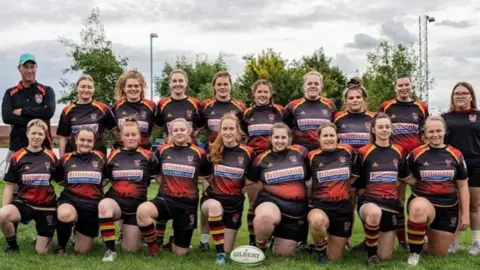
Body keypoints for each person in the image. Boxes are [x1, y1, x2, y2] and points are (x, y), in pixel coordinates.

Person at [136, 118, 211, 257]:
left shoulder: (199, 153)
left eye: (182, 129)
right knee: (143, 211)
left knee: (181, 253)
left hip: (187, 205)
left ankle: (172, 242)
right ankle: (153, 248)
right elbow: (155, 173)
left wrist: (206, 195)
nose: (179, 133)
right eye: (175, 130)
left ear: (189, 131)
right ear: (171, 132)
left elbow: (207, 176)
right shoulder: (162, 150)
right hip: (166, 199)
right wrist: (168, 184)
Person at [405, 115, 470, 265]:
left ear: (445, 131)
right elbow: (404, 175)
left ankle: (423, 240)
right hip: (424, 201)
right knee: (419, 208)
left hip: (448, 207)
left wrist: (465, 214)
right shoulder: (415, 154)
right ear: (425, 134)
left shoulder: (456, 154)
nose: (435, 135)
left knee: (438, 254)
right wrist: (414, 182)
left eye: (438, 131)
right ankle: (414, 253)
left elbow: (462, 185)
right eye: (431, 131)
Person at [285, 70, 337, 250]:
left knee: (326, 195)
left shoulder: (330, 105)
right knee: (304, 197)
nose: (313, 86)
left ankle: (331, 237)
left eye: (316, 83)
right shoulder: (293, 106)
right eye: (309, 83)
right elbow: (286, 132)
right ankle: (301, 239)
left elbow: (334, 131)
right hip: (302, 160)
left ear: (321, 86)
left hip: (327, 159)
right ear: (304, 86)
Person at [352, 113, 411, 265]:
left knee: (386, 256)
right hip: (370, 201)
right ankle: (372, 255)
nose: (384, 130)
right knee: (374, 213)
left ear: (391, 129)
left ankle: (370, 242)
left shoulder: (399, 150)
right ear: (373, 130)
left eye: (387, 127)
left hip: (390, 204)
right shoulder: (364, 152)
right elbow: (357, 182)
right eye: (380, 127)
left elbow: (405, 177)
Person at [98, 117, 160, 262]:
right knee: (103, 206)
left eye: (134, 135)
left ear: (139, 136)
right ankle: (110, 250)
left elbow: (160, 178)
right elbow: (105, 180)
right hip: (116, 204)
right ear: (121, 137)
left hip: (136, 208)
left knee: (130, 249)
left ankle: (145, 235)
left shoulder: (149, 156)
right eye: (127, 135)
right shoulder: (113, 155)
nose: (130, 138)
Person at [378, 74, 429, 249]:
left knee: (421, 197)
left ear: (411, 86)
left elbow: (426, 131)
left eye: (407, 84)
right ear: (395, 88)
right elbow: (378, 128)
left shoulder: (421, 107)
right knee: (397, 200)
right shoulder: (386, 106)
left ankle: (423, 236)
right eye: (400, 85)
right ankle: (402, 240)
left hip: (416, 160)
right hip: (395, 160)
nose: (404, 88)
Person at [198, 71, 246, 250]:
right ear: (214, 87)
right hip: (213, 155)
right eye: (219, 84)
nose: (223, 87)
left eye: (226, 84)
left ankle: (228, 236)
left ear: (230, 86)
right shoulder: (206, 106)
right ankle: (204, 239)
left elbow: (242, 132)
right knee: (209, 196)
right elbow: (197, 128)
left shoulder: (239, 107)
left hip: (233, 156)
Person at [246, 123, 309, 256]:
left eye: (283, 137)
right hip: (271, 201)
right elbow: (251, 181)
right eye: (276, 137)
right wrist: (253, 203)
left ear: (289, 139)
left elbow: (310, 176)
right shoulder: (260, 159)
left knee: (283, 254)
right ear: (270, 138)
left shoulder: (301, 152)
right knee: (265, 218)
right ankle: (260, 248)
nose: (280, 141)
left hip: (295, 207)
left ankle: (275, 236)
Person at [201, 113, 253, 264]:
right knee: (215, 207)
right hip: (213, 199)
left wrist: (243, 186)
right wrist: (208, 189)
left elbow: (252, 177)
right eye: (224, 128)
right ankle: (219, 255)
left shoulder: (247, 152)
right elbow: (204, 174)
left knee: (228, 248)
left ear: (237, 130)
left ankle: (223, 250)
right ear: (220, 130)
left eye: (231, 128)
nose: (228, 132)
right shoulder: (212, 150)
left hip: (235, 202)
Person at [0, 119, 57, 254]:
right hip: (25, 204)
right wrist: (5, 210)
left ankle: (41, 237)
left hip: (47, 206)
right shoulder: (17, 156)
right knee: (2, 215)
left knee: (42, 252)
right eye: (33, 133)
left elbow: (61, 180)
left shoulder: (51, 156)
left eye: (40, 134)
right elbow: (9, 186)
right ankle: (13, 246)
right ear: (27, 134)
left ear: (45, 136)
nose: (36, 137)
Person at [241, 79, 287, 246]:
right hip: (254, 162)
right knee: (253, 203)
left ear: (270, 94)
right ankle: (253, 240)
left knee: (277, 200)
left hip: (276, 162)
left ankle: (274, 236)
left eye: (265, 92)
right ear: (254, 94)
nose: (262, 95)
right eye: (259, 92)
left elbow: (287, 134)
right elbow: (243, 136)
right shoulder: (247, 113)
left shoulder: (280, 111)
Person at [305, 123, 358, 264]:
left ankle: (321, 244)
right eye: (325, 136)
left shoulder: (348, 151)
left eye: (332, 135)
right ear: (319, 138)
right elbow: (307, 179)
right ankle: (320, 251)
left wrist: (343, 186)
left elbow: (356, 175)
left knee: (334, 258)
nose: (329, 138)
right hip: (320, 205)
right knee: (317, 221)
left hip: (342, 207)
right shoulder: (311, 156)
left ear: (337, 137)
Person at [333, 78, 375, 249]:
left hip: (368, 168)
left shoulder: (373, 117)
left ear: (364, 98)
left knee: (366, 202)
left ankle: (369, 239)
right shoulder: (338, 118)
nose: (355, 100)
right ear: (346, 101)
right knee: (348, 205)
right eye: (351, 98)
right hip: (346, 168)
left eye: (358, 97)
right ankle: (345, 240)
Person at [55, 127, 108, 255]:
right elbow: (59, 180)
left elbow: (106, 179)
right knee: (65, 214)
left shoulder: (101, 158)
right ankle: (61, 247)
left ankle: (77, 233)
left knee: (82, 251)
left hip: (92, 205)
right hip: (70, 200)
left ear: (94, 142)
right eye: (82, 140)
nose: (85, 143)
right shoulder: (65, 159)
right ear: (75, 140)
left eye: (89, 141)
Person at [442, 82, 480, 254]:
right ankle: (454, 243)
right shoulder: (445, 118)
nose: (460, 96)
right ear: (452, 97)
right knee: (455, 204)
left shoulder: (478, 116)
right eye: (457, 93)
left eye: (464, 93)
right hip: (454, 166)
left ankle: (476, 243)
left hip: (476, 164)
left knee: (475, 205)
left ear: (471, 96)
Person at [1, 53, 56, 153]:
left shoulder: (47, 90)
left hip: (43, 148)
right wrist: (38, 120)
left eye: (32, 67)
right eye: (26, 67)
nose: (29, 71)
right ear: (19, 68)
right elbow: (7, 117)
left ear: (36, 68)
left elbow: (49, 112)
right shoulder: (10, 93)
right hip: (17, 148)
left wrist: (23, 111)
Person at [56, 75, 116, 157]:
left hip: (97, 158)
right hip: (74, 158)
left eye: (89, 87)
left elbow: (116, 131)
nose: (86, 90)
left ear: (93, 89)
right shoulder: (67, 110)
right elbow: (63, 138)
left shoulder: (103, 109)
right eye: (83, 87)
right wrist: (62, 160)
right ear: (77, 88)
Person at [111, 70, 157, 150]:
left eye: (136, 86)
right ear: (124, 88)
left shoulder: (151, 106)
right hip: (120, 152)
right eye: (129, 86)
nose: (133, 89)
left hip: (143, 152)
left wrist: (144, 138)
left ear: (141, 88)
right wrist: (121, 139)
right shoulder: (116, 106)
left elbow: (156, 126)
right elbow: (112, 128)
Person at [154, 69, 202, 145]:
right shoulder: (162, 104)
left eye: (181, 81)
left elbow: (202, 125)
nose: (177, 83)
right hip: (170, 150)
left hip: (191, 150)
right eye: (174, 81)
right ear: (170, 84)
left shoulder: (196, 103)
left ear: (186, 83)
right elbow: (156, 125)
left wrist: (195, 132)